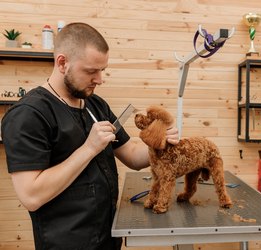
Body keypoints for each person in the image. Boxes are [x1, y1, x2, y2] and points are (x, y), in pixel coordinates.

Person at [1, 22, 179, 250]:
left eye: (102, 70)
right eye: (91, 71)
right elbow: (31, 196)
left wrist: (159, 144)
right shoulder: (29, 115)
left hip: (107, 236)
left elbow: (133, 156)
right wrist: (88, 149)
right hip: (67, 244)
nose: (100, 79)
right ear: (62, 63)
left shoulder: (96, 104)